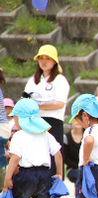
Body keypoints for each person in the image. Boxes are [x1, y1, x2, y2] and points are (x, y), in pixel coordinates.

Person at [1, 99, 62, 198]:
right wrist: (59, 173)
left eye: (16, 118)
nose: (15, 121)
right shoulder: (45, 134)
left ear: (22, 118)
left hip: (25, 174)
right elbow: (58, 154)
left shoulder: (19, 136)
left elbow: (15, 159)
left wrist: (7, 179)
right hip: (44, 174)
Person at [24, 44, 70, 176]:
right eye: (41, 58)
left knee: (53, 154)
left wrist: (38, 106)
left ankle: (54, 187)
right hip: (35, 120)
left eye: (47, 59)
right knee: (35, 154)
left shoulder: (60, 80)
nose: (44, 62)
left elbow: (60, 103)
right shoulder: (33, 81)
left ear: (54, 61)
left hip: (52, 121)